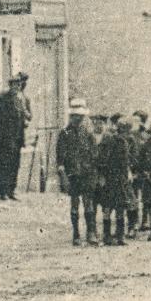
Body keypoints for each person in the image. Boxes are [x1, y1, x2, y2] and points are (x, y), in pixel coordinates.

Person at [55, 99, 99, 244]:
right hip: (72, 174)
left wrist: (92, 170)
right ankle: (76, 234)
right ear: (70, 117)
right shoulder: (64, 133)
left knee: (88, 203)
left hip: (87, 173)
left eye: (80, 116)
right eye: (75, 116)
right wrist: (63, 175)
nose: (78, 119)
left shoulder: (88, 133)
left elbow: (94, 154)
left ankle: (91, 232)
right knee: (74, 204)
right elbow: (60, 157)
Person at [96, 114, 133, 246]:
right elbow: (101, 160)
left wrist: (128, 173)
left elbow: (126, 161)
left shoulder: (125, 142)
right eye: (123, 130)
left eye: (127, 131)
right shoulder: (108, 140)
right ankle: (107, 236)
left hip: (120, 178)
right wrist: (102, 177)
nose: (125, 133)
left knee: (120, 208)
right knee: (107, 208)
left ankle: (120, 235)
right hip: (109, 178)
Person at [0, 73, 31, 200]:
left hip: (17, 137)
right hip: (5, 137)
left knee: (15, 164)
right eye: (15, 84)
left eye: (19, 84)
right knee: (4, 164)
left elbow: (27, 115)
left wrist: (25, 119)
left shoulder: (21, 100)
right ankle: (3, 191)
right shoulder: (3, 98)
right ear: (11, 85)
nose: (18, 87)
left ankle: (11, 190)